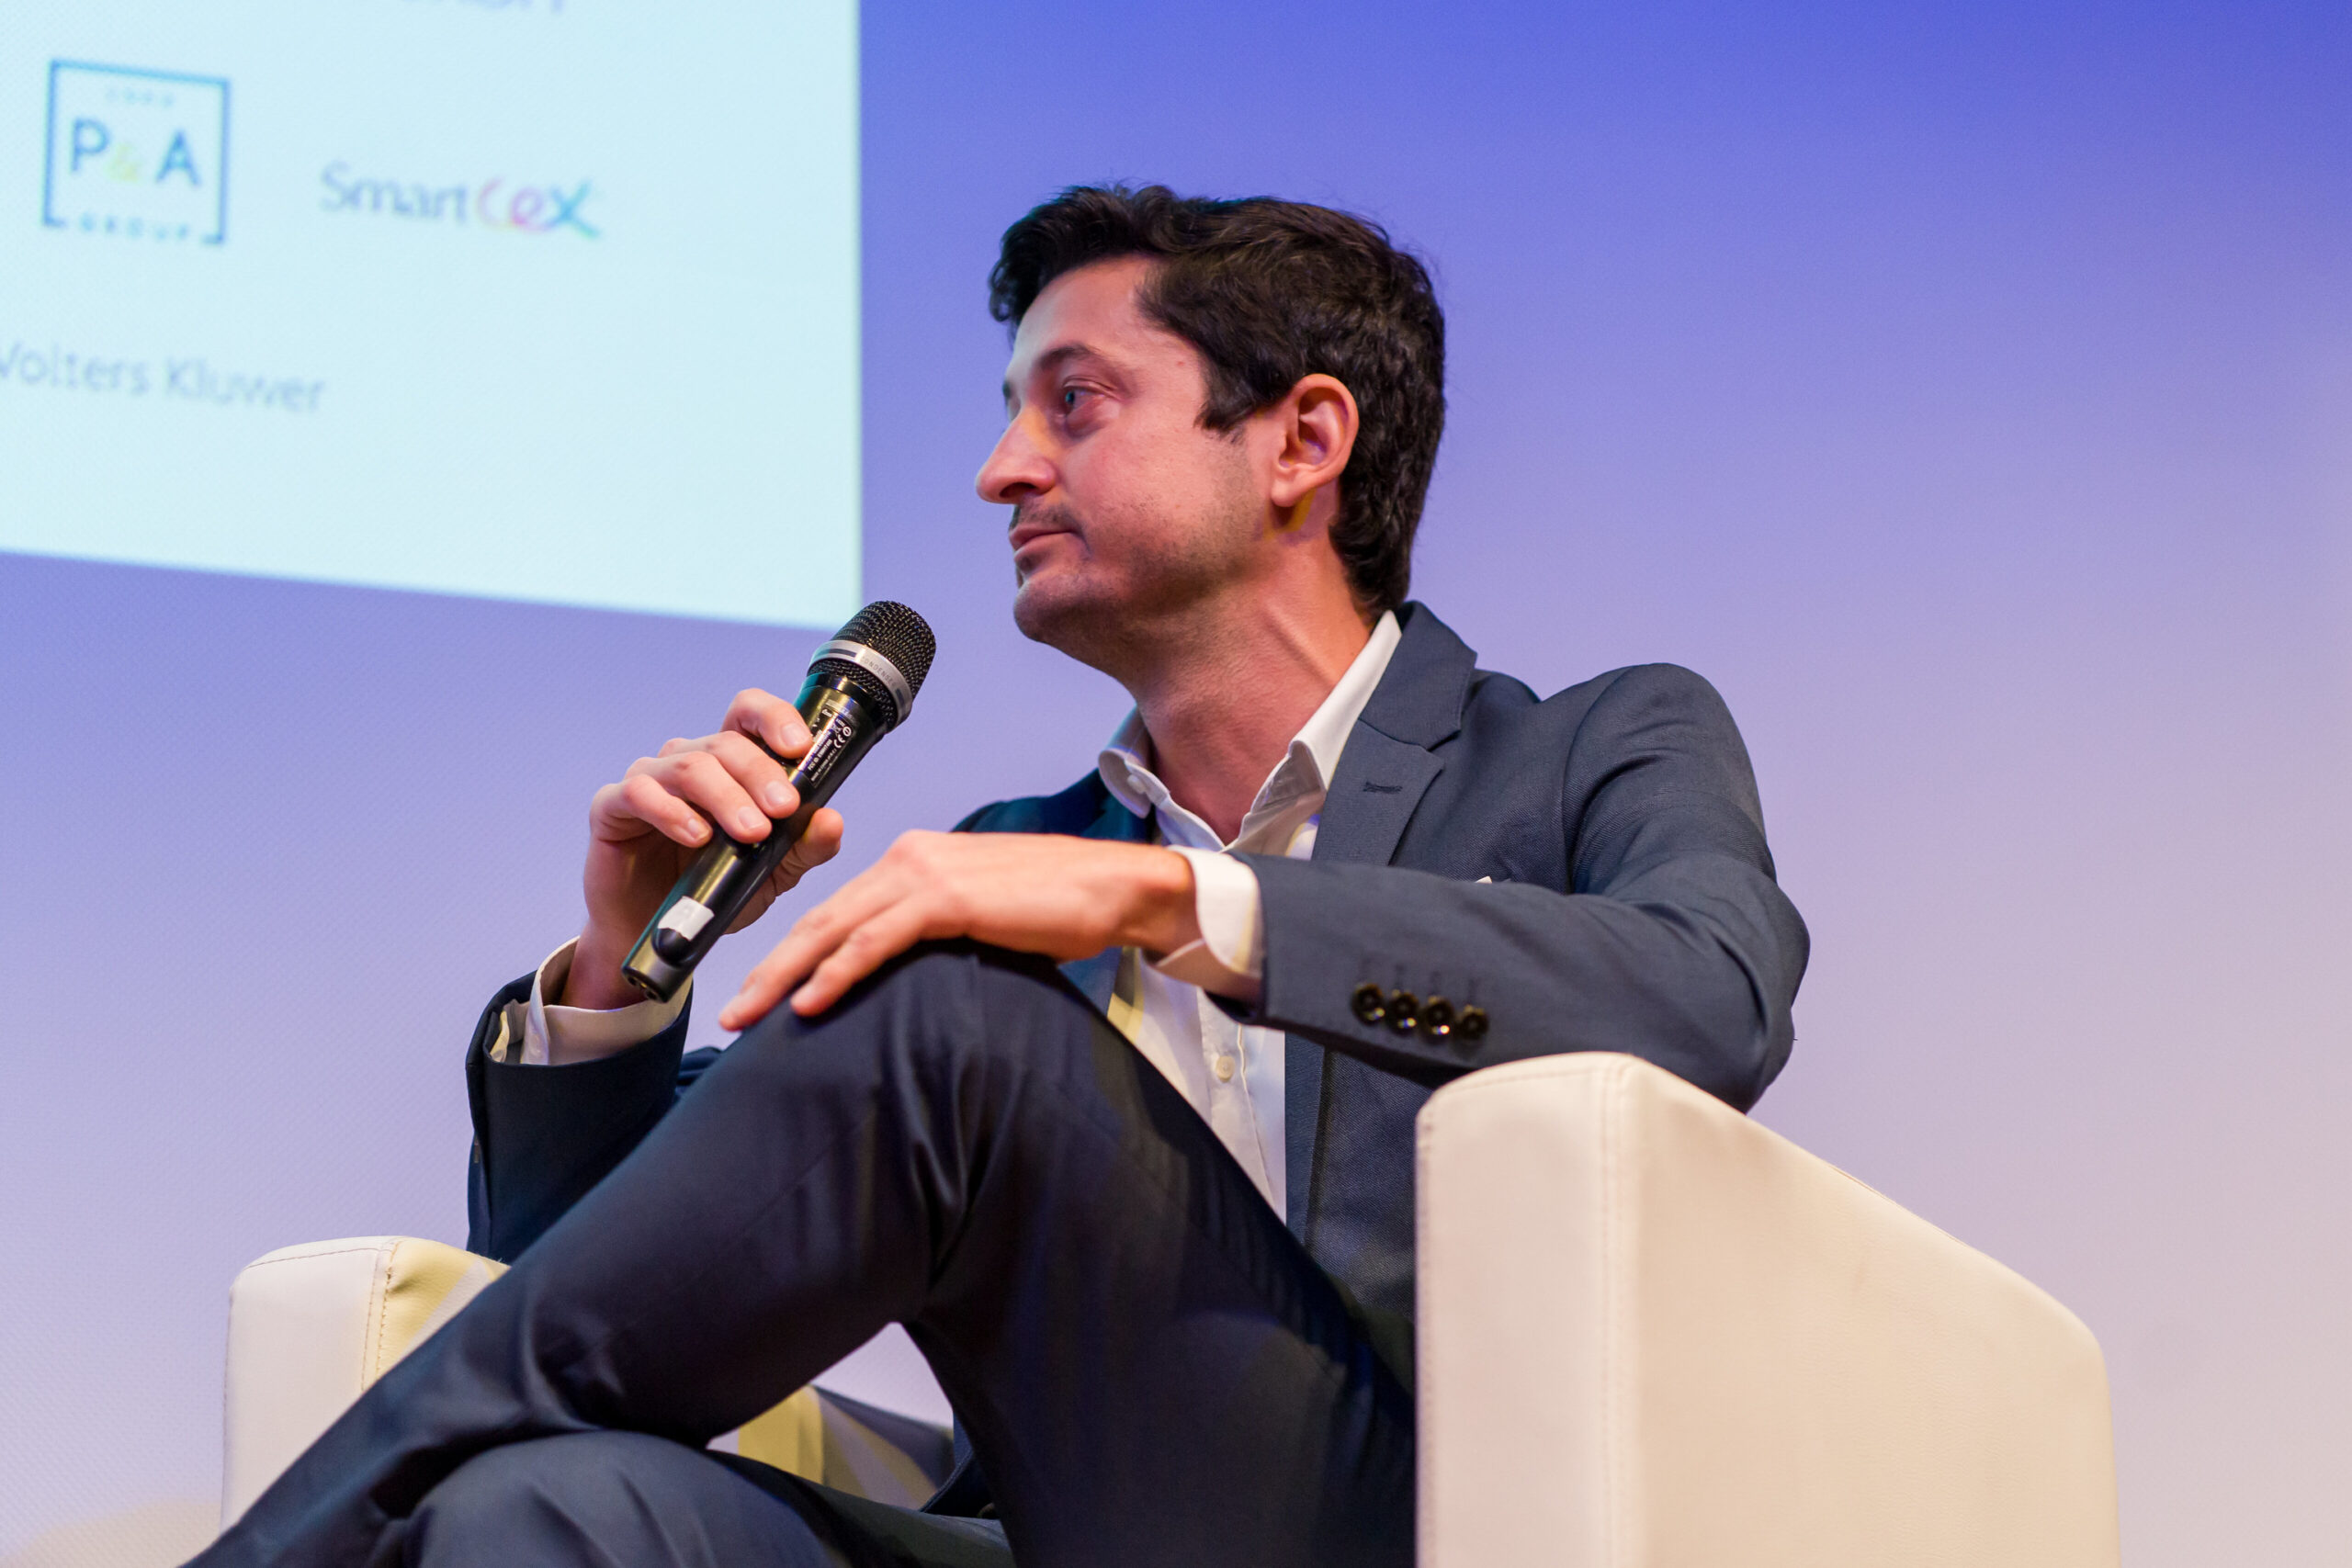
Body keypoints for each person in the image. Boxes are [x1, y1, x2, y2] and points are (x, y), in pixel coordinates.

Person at [192, 185, 1808, 1568]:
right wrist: (625, 969)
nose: (999, 469)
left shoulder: (1595, 745)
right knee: (536, 1508)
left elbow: (1709, 994)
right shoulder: (1029, 851)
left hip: (1406, 1519)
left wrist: (1187, 906)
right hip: (1042, 1528)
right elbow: (598, 1286)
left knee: (954, 1014)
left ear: (1302, 442)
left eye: (1074, 402)